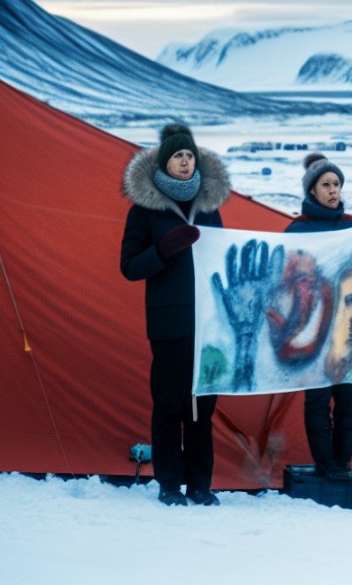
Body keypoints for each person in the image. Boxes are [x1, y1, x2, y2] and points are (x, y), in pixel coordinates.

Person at [119, 123, 230, 506]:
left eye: (189, 156)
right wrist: (164, 249)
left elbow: (223, 259)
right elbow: (130, 266)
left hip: (209, 324)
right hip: (169, 323)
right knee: (169, 404)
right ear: (164, 163)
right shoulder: (145, 212)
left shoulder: (210, 209)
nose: (184, 162)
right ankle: (169, 483)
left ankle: (200, 485)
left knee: (202, 405)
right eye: (177, 156)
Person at [284, 153, 352, 480]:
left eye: (337, 184)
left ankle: (343, 465)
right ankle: (324, 465)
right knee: (318, 402)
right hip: (313, 331)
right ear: (313, 191)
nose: (333, 190)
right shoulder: (297, 230)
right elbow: (282, 273)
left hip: (350, 330)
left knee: (350, 402)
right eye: (326, 185)